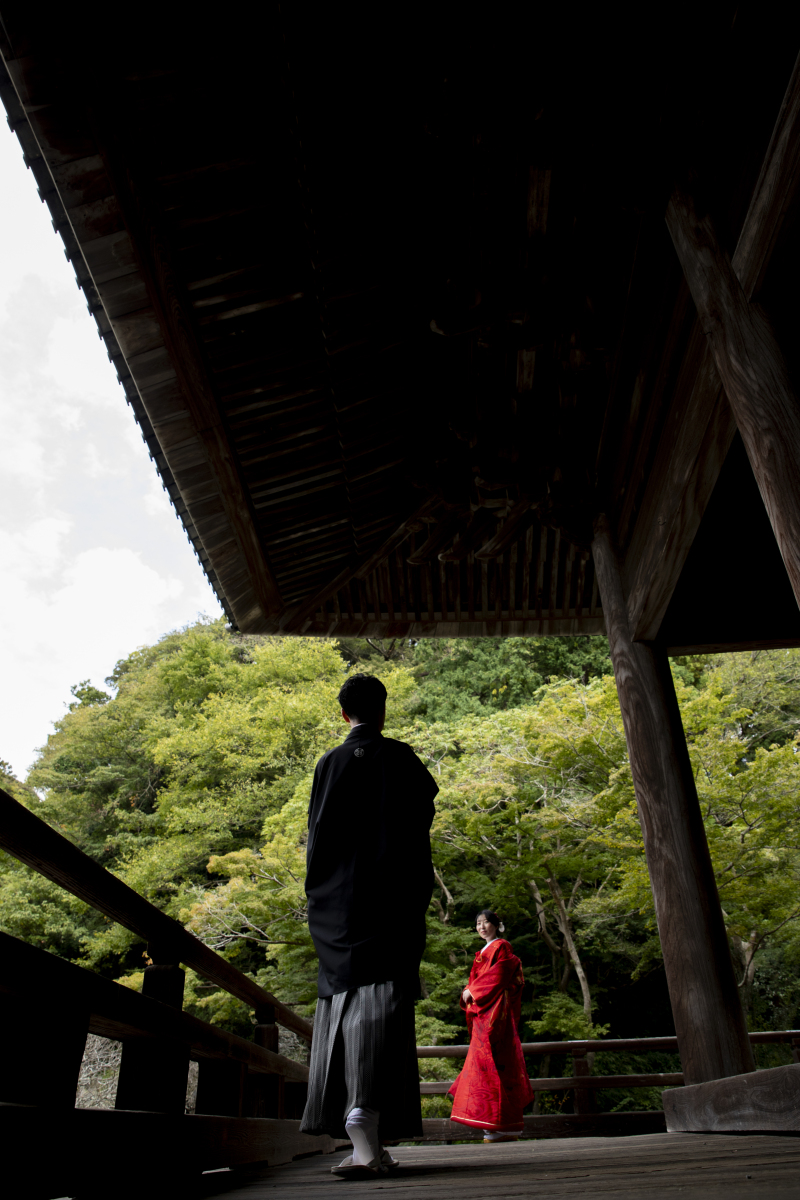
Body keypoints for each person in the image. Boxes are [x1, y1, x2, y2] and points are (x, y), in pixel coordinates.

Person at [299, 673, 439, 1178]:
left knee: (343, 998)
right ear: (382, 710)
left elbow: (316, 838)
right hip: (391, 901)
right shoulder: (401, 758)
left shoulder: (328, 763)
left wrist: (322, 898)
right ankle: (367, 1114)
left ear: (344, 714)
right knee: (386, 1000)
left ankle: (367, 1141)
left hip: (339, 906)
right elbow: (419, 823)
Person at [448, 909, 534, 1142]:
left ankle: (503, 1126)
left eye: (486, 922)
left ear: (497, 925)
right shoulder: (484, 951)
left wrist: (474, 991)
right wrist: (471, 990)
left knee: (495, 1062)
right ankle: (495, 1126)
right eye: (478, 923)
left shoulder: (501, 947)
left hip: (495, 1012)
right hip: (484, 1012)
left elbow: (501, 973)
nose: (482, 927)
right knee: (487, 1066)